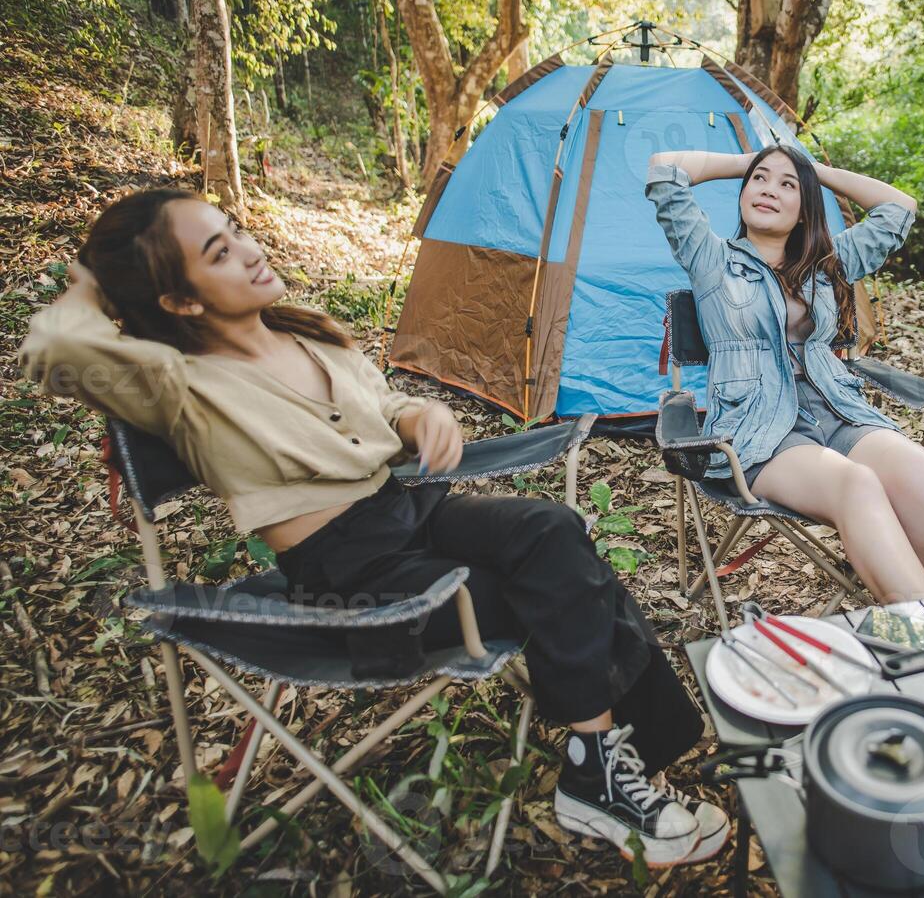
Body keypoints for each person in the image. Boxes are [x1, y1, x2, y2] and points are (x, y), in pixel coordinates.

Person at [18, 189, 728, 867]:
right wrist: (93, 283)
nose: (247, 248)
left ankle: (598, 762)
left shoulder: (302, 334)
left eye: (235, 229)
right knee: (546, 587)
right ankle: (603, 767)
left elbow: (383, 403)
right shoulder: (177, 383)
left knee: (551, 530)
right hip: (351, 572)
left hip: (410, 508)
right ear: (180, 299)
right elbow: (52, 352)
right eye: (217, 251)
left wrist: (417, 416)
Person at [646, 145, 924, 603]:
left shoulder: (829, 263)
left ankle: (917, 620)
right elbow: (665, 167)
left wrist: (814, 171)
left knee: (919, 469)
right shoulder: (710, 257)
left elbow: (899, 207)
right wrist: (750, 161)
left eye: (787, 186)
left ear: (806, 208)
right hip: (759, 430)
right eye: (759, 179)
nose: (769, 190)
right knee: (855, 483)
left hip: (837, 410)